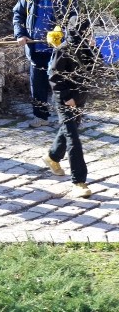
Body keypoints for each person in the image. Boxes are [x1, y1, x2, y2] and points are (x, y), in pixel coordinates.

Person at [13, 0, 78, 128]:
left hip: (59, 50)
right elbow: (17, 14)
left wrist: (64, 35)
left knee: (62, 84)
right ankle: (41, 117)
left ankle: (68, 119)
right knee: (38, 83)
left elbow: (75, 18)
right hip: (36, 48)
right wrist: (20, 34)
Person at [42, 20, 97, 199]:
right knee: (73, 138)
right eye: (87, 33)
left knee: (67, 132)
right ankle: (79, 182)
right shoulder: (64, 49)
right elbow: (54, 75)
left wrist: (94, 50)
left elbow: (96, 70)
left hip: (80, 97)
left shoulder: (87, 49)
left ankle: (52, 157)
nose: (90, 36)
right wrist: (67, 97)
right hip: (65, 100)